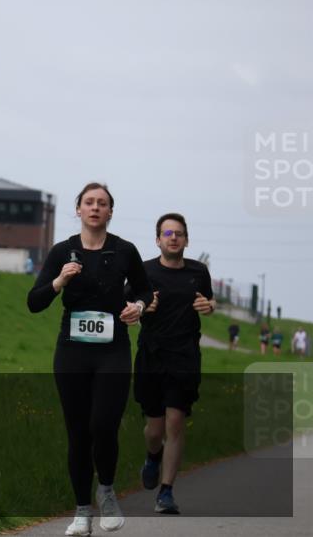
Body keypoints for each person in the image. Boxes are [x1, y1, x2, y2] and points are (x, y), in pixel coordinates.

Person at [27, 183, 153, 536]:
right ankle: (82, 511)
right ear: (78, 209)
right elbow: (34, 302)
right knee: (78, 432)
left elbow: (143, 289)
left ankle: (108, 492)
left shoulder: (125, 251)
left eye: (102, 203)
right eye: (89, 202)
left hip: (112, 349)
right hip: (72, 351)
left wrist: (138, 307)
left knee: (104, 425)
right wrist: (58, 281)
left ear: (110, 212)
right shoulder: (62, 251)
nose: (95, 208)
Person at [134, 213, 215, 515]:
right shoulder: (143, 271)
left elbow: (209, 301)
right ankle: (152, 457)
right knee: (154, 430)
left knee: (176, 422)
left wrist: (209, 306)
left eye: (179, 233)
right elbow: (128, 307)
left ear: (186, 239)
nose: (173, 237)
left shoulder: (198, 271)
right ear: (158, 239)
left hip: (184, 356)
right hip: (152, 355)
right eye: (167, 233)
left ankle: (166, 492)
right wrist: (143, 307)